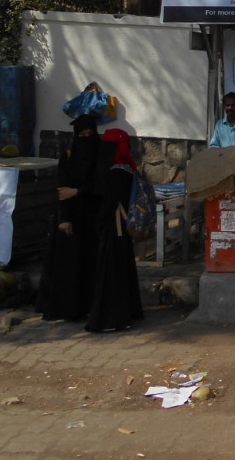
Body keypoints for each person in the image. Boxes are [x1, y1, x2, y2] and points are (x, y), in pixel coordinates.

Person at [38, 114, 102, 322]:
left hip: (93, 216)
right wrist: (64, 218)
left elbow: (103, 186)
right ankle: (70, 308)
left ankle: (92, 305)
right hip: (72, 216)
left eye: (89, 134)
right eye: (81, 134)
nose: (85, 138)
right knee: (70, 264)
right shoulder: (67, 155)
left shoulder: (101, 154)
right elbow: (61, 188)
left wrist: (78, 192)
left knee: (91, 262)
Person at [85, 128, 144, 333]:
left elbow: (109, 203)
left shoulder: (116, 171)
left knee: (111, 273)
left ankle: (113, 318)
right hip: (122, 227)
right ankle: (128, 313)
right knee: (123, 269)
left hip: (114, 227)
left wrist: (98, 223)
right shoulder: (128, 167)